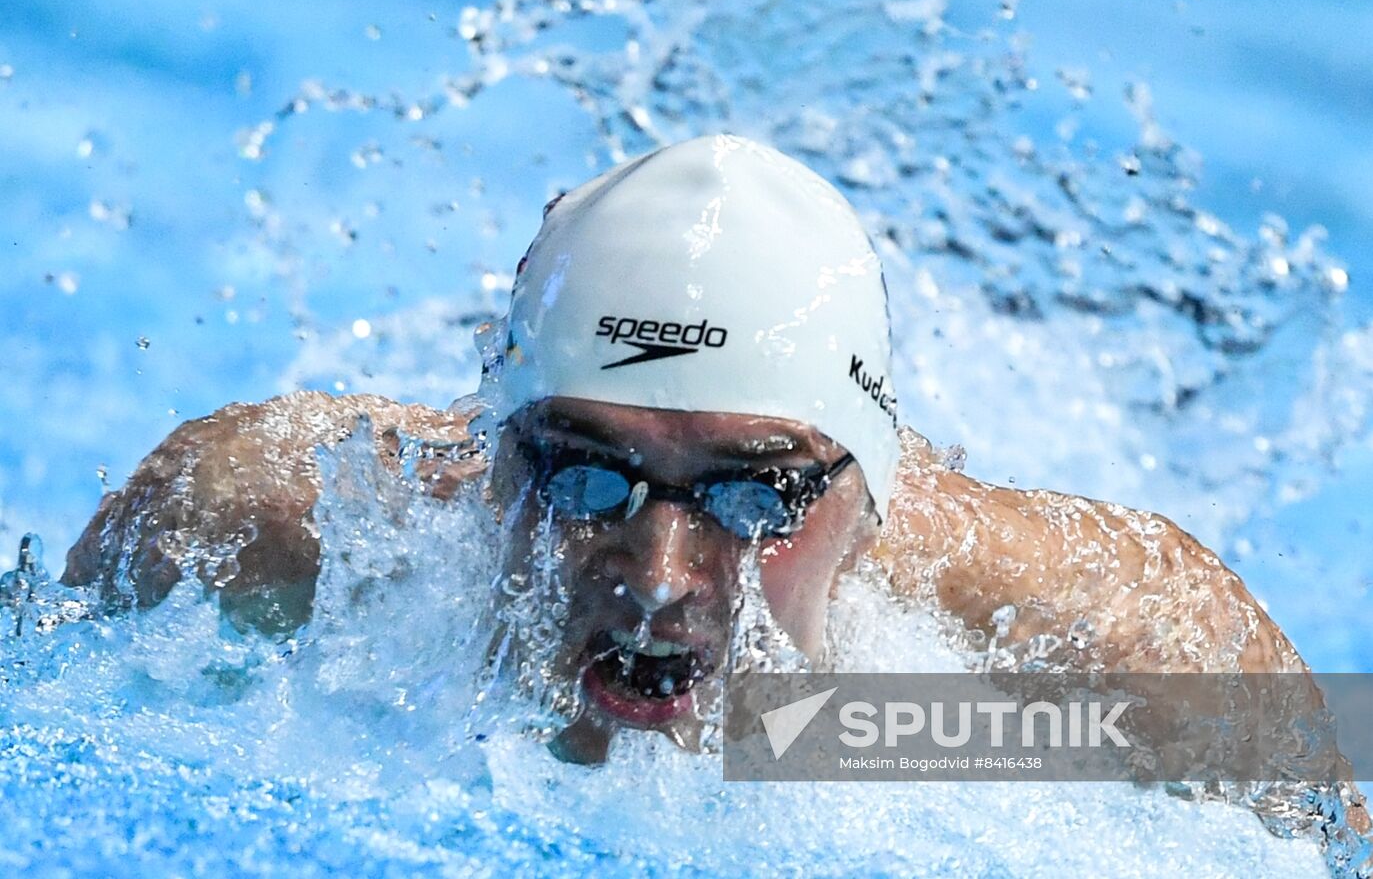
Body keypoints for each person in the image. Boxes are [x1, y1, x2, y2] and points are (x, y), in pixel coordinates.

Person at [60, 134, 1313, 764]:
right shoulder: (244, 523)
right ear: (493, 453)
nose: (658, 576)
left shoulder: (1088, 630)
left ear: (869, 497)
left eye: (755, 496)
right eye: (580, 472)